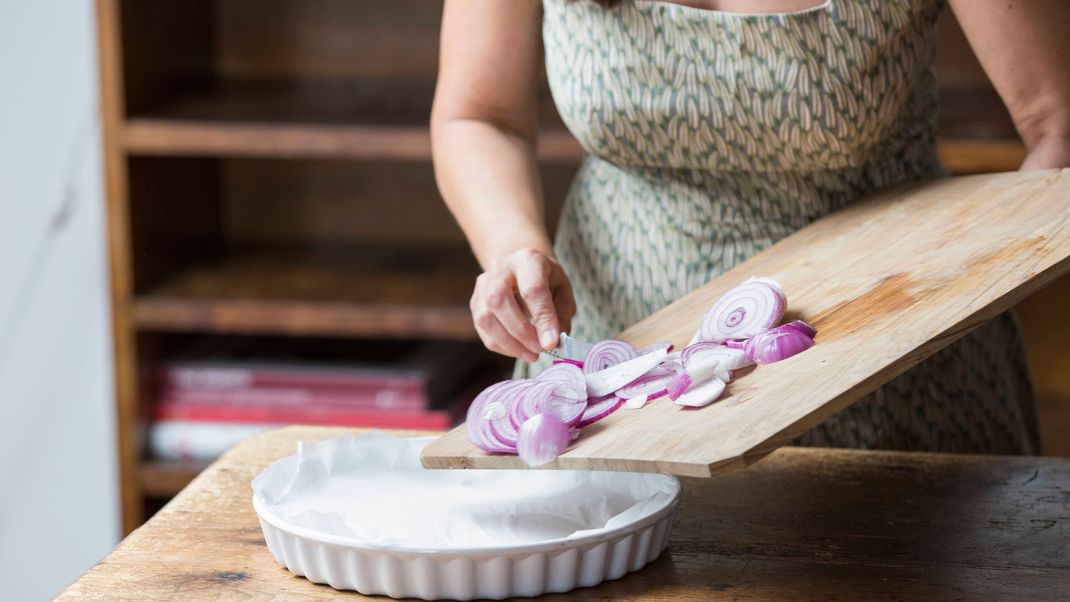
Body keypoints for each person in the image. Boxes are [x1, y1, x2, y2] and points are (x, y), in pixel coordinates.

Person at [430, 0, 1070, 453]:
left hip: (890, 365)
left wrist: (954, 291)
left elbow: (1057, 124)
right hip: (617, 373)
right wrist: (513, 245)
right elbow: (479, 114)